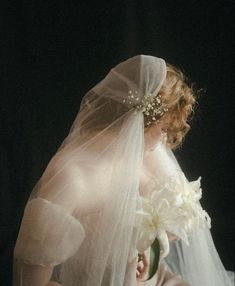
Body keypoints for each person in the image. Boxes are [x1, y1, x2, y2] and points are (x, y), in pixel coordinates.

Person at [13, 55, 234, 286]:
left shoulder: (149, 151)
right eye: (164, 129)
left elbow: (157, 218)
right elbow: (31, 282)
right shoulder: (72, 180)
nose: (165, 140)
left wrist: (147, 252)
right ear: (141, 122)